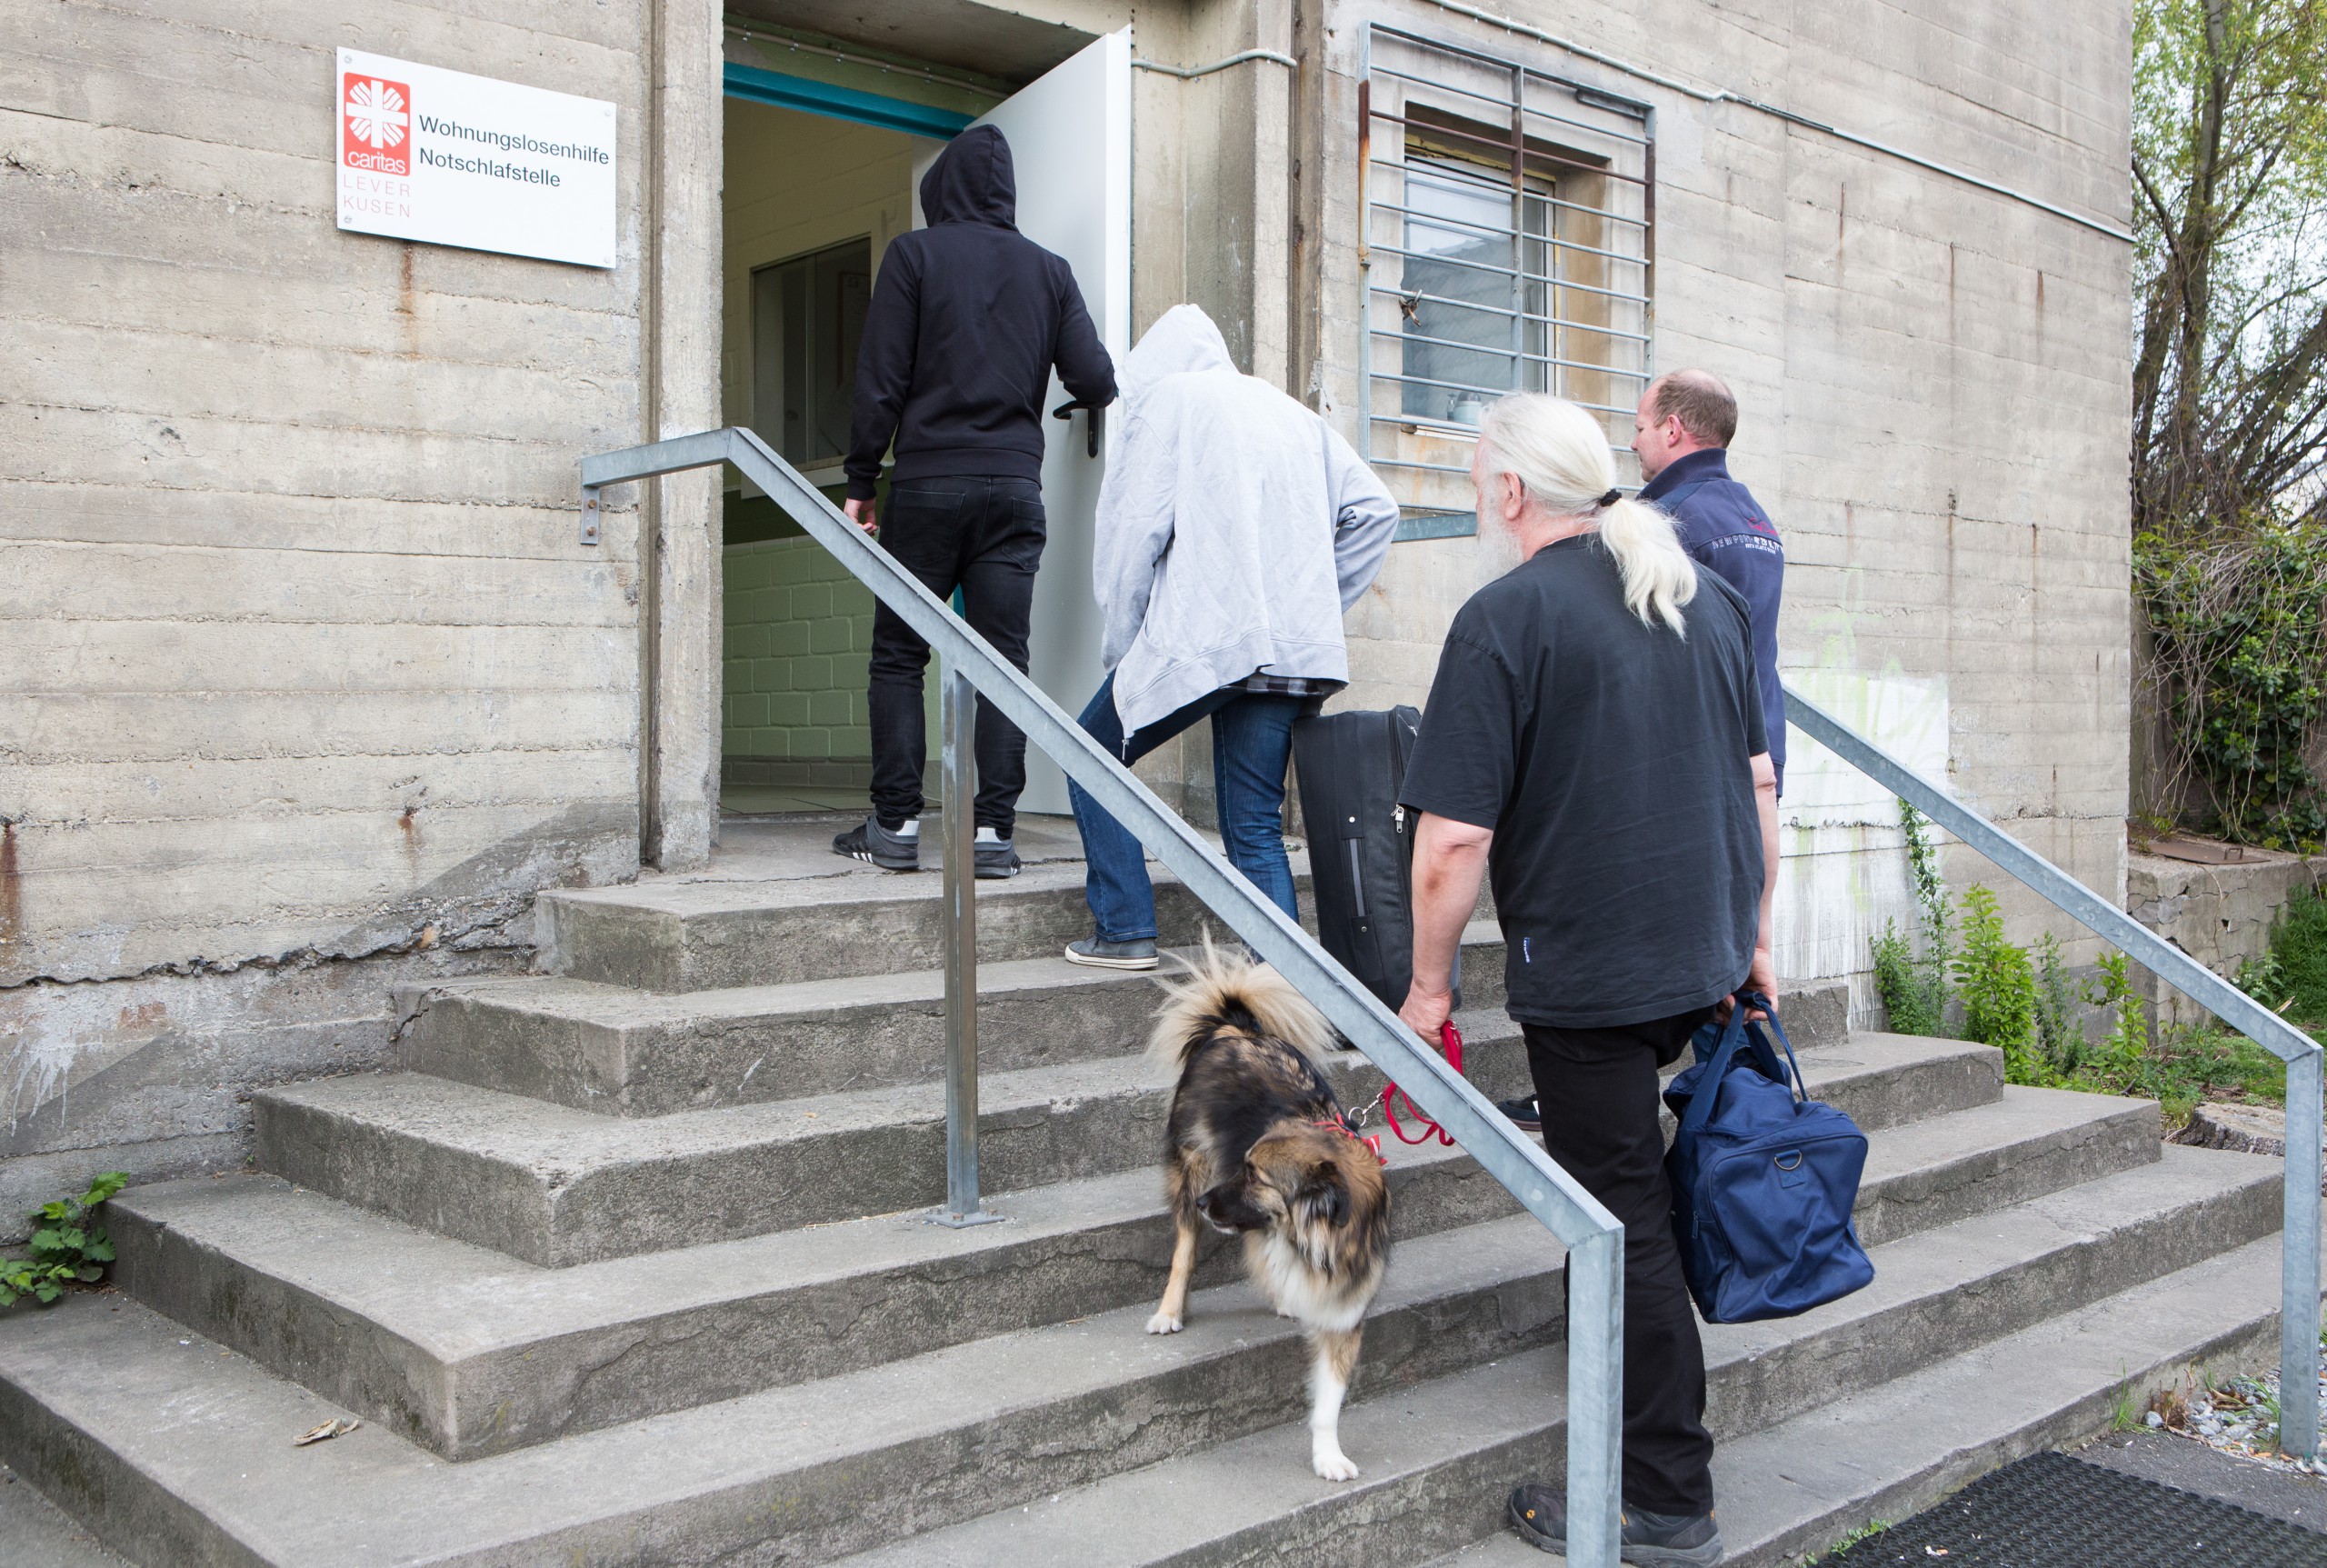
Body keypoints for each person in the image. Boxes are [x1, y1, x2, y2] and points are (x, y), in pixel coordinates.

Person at [1394, 394, 1778, 1565]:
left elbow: (1451, 843)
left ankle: (1663, 1499)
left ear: (1512, 492)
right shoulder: (1696, 596)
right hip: (1698, 951)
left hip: (1597, 972)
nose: (1477, 498)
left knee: (1620, 1221)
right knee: (1632, 1199)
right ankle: (1614, 1376)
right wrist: (1753, 940)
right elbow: (1758, 781)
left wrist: (1425, 993)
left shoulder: (1505, 617)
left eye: (1476, 480)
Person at [1060, 305, 1398, 970]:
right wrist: (1312, 604)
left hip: (1212, 639)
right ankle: (1282, 1000)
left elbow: (1133, 538)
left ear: (1150, 368)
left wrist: (1122, 648)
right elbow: (1377, 513)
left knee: (1085, 749)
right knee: (1252, 825)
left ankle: (1125, 926)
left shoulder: (1169, 404)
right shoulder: (1292, 415)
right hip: (1291, 651)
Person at [1497, 368, 1786, 1135]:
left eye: (1640, 424)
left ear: (1674, 430)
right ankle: (1722, 1121)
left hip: (1673, 774)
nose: (1632, 439)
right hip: (1745, 760)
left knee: (1656, 1002)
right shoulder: (1753, 515)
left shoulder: (1673, 519)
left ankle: (1651, 1116)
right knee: (1710, 994)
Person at [833, 125, 1117, 879]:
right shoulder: (1049, 272)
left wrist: (862, 479)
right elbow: (1096, 377)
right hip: (1013, 493)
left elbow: (880, 377)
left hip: (927, 486)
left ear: (944, 188)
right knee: (1004, 661)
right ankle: (992, 834)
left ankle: (894, 822)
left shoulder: (915, 256)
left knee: (899, 652)